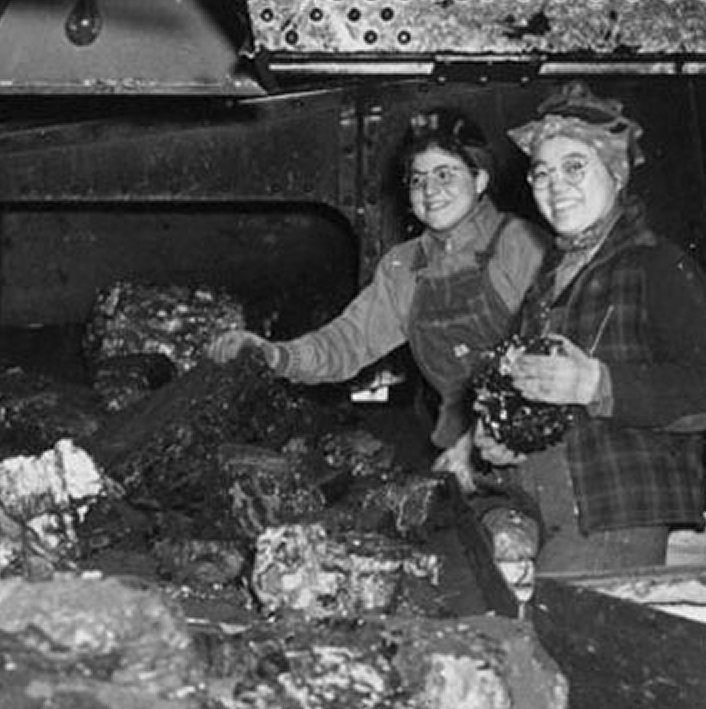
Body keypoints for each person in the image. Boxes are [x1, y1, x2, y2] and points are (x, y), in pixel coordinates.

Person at [472, 82, 706, 574]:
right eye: (542, 173)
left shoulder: (655, 265)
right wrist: (502, 437)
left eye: (575, 167)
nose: (556, 186)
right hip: (538, 510)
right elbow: (538, 405)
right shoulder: (547, 280)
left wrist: (597, 383)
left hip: (612, 522)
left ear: (616, 174)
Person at [208, 107, 547, 483]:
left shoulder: (520, 244)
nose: (430, 191)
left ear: (480, 179)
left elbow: (551, 356)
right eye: (417, 180)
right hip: (462, 458)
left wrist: (485, 435)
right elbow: (347, 343)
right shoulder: (405, 266)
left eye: (445, 174)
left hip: (541, 448)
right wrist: (274, 355)